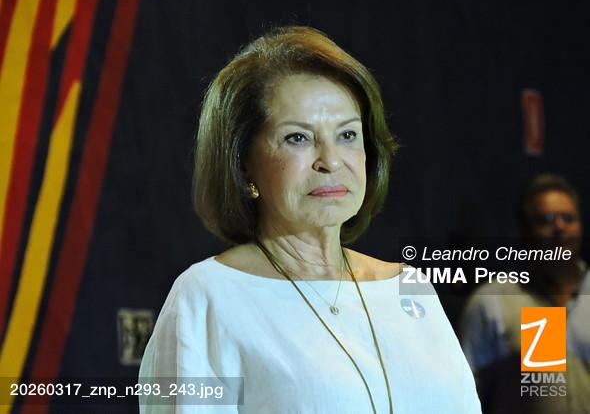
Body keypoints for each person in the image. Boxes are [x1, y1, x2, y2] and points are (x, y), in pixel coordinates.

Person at [139, 26, 481, 413]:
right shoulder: (207, 297)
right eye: (298, 138)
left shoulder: (409, 287)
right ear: (243, 162)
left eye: (347, 135)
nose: (331, 161)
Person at [461, 174, 590, 413]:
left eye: (568, 218)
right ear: (525, 232)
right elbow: (465, 394)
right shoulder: (493, 301)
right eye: (546, 219)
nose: (559, 228)